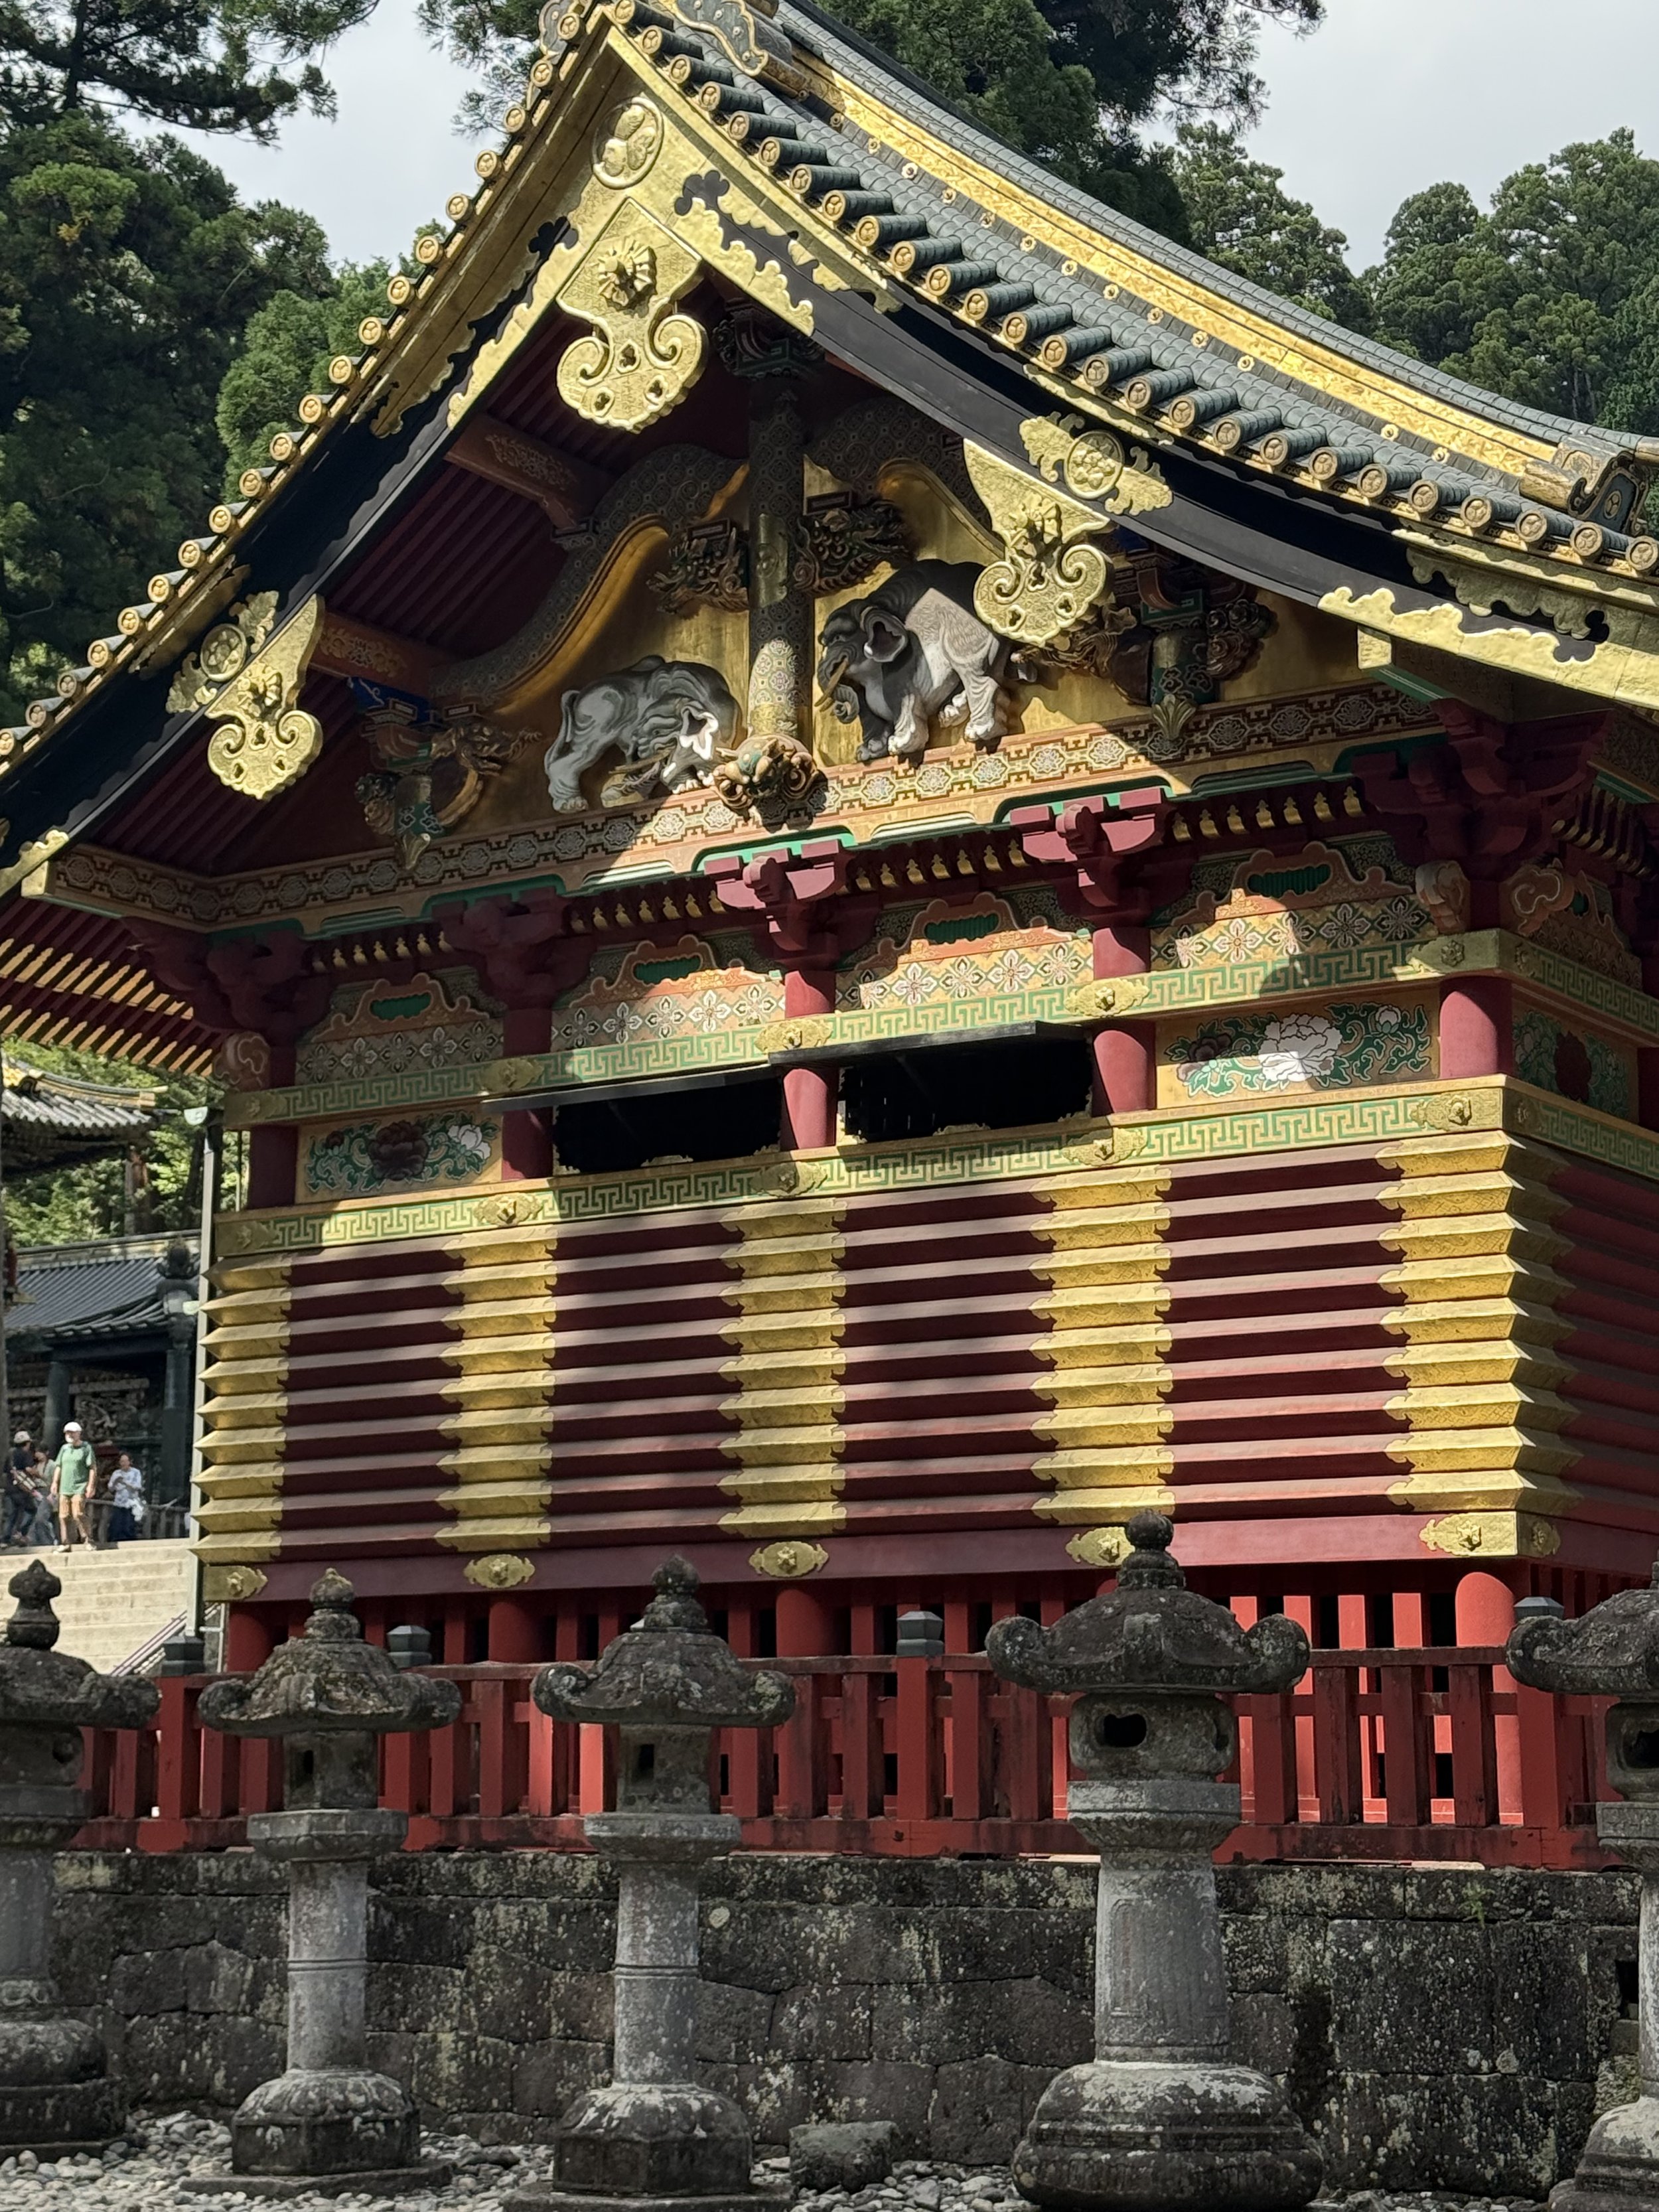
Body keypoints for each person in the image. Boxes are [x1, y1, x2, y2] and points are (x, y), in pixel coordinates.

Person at [49, 1421, 98, 1550]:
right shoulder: (64, 1449)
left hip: (79, 1486)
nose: (69, 1435)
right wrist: (55, 1482)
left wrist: (90, 1485)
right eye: (67, 1432)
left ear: (79, 1433)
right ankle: (65, 1543)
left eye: (72, 1432)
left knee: (78, 1514)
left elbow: (92, 1468)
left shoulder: (86, 1448)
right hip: (65, 1487)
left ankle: (88, 1539)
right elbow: (59, 1466)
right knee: (63, 1516)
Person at [1, 1434, 37, 1547]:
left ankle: (5, 1539)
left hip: (9, 1489)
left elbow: (5, 1471)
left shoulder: (10, 1454)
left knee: (11, 1515)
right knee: (31, 1510)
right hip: (22, 1490)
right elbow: (28, 1469)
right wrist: (38, 1476)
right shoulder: (25, 1454)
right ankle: (20, 1532)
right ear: (27, 1443)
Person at [105, 1451, 145, 1544]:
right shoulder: (116, 1473)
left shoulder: (136, 1472)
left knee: (128, 1525)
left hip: (131, 1502)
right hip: (119, 1502)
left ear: (130, 1462)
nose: (123, 1464)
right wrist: (115, 1482)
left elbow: (138, 1487)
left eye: (125, 1461)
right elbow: (111, 1488)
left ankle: (129, 1541)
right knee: (116, 1525)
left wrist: (125, 1483)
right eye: (121, 1461)